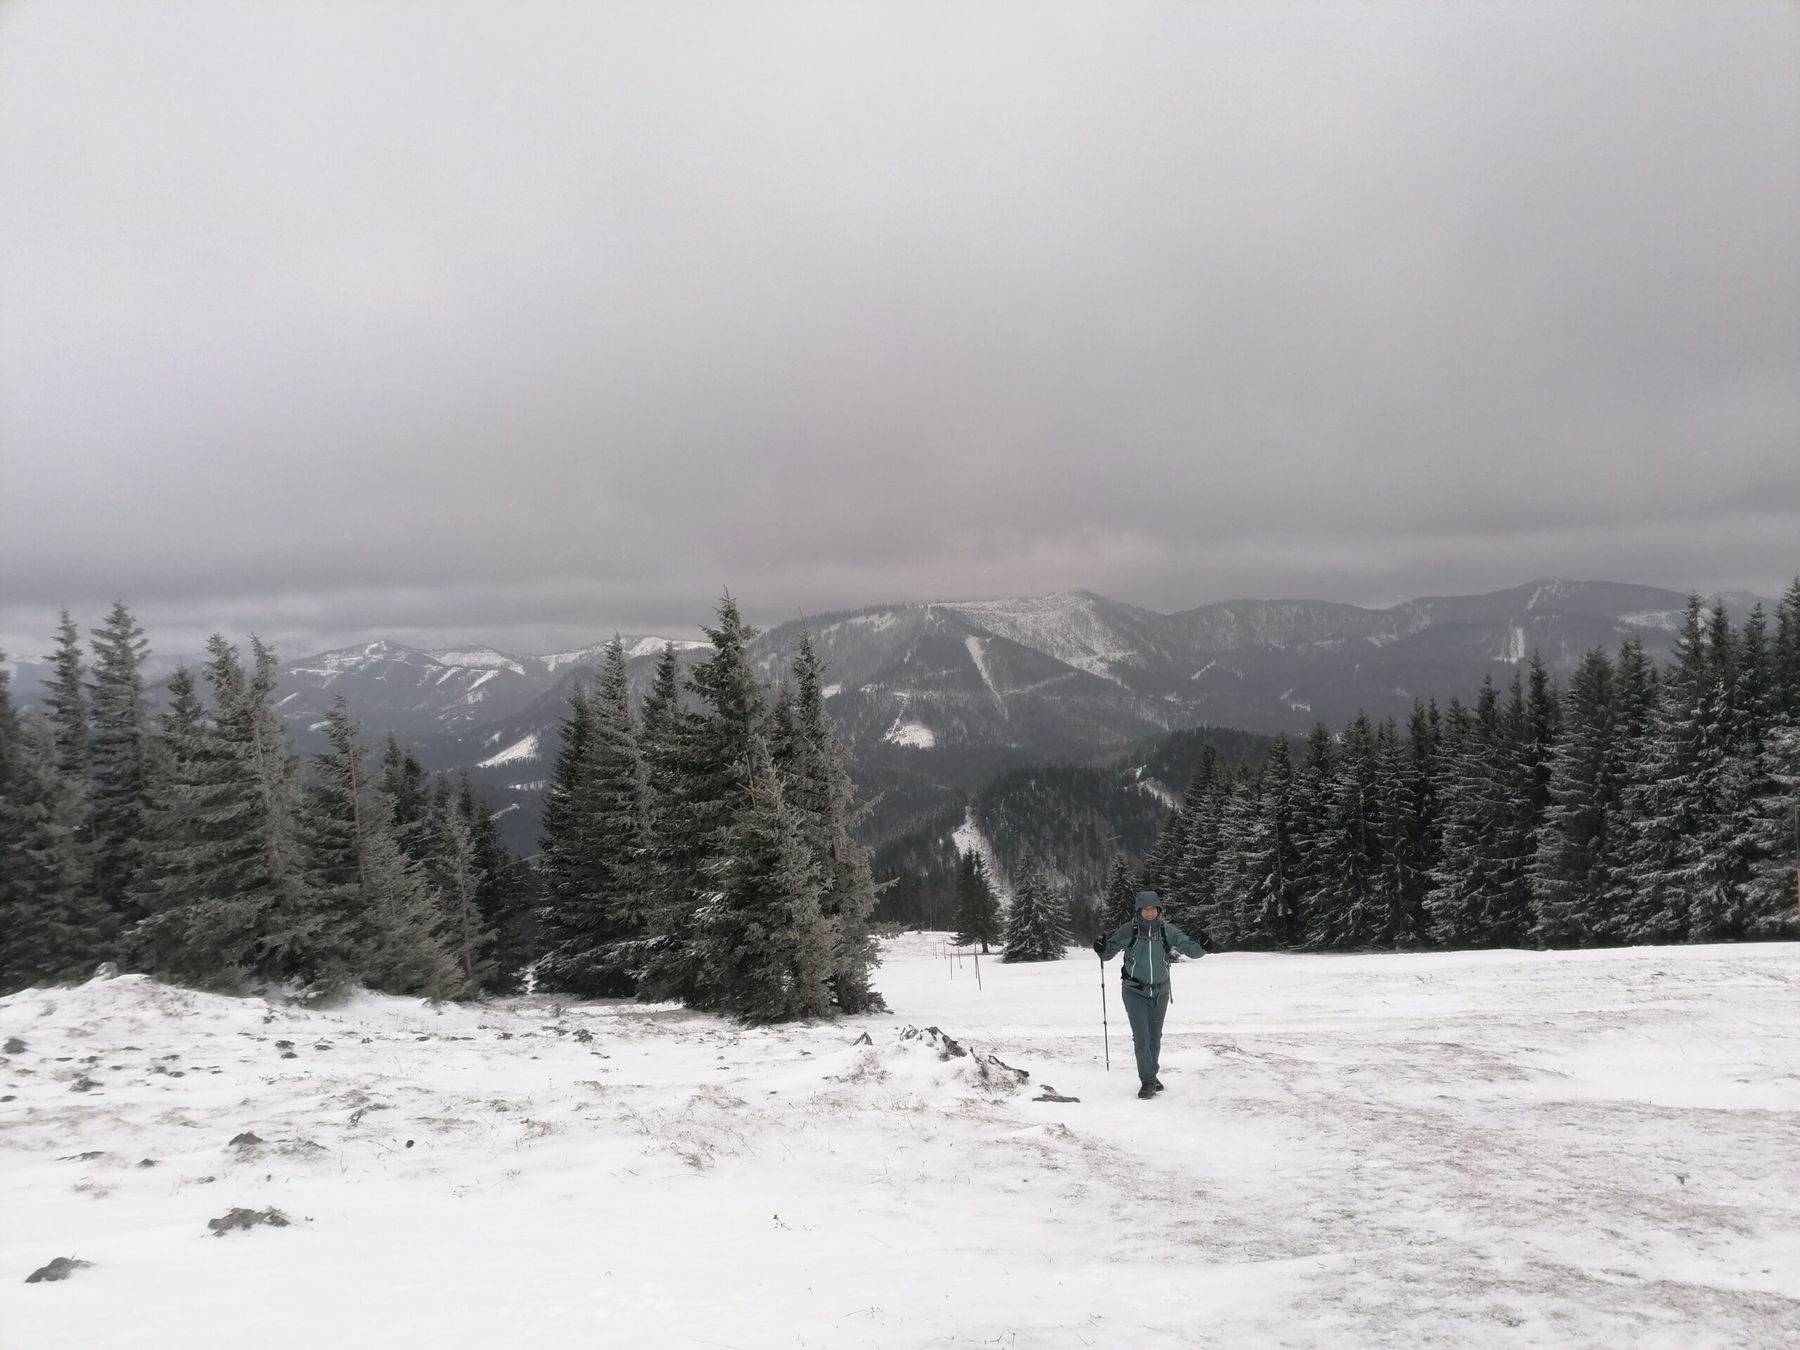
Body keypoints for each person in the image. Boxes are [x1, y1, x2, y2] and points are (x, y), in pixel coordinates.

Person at [1093, 890, 1210, 1099]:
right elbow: (1108, 952)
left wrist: (1203, 947)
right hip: (1134, 991)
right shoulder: (1129, 930)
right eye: (1145, 909)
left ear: (1159, 910)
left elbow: (1189, 947)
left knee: (1155, 1037)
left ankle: (1152, 1076)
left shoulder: (1166, 931)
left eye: (1153, 909)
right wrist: (1101, 947)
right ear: (1139, 911)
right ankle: (1147, 1080)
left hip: (1160, 992)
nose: (1149, 913)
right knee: (1142, 1037)